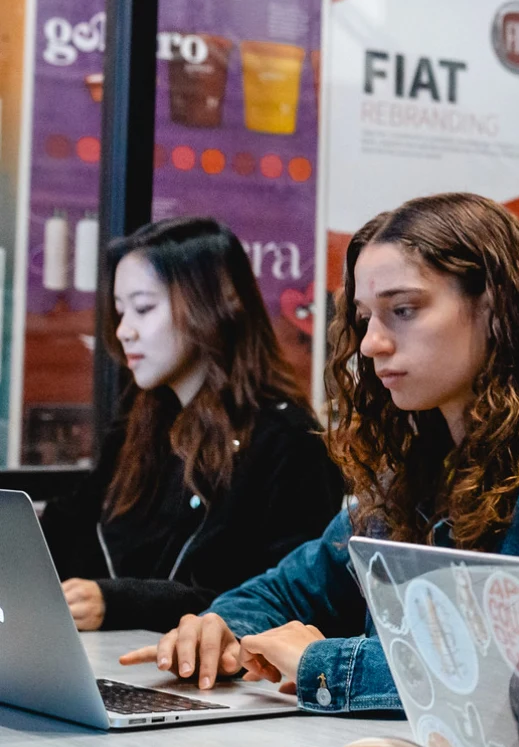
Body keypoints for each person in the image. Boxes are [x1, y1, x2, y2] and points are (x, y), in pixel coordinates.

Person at [122, 193, 519, 714]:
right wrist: (218, 627)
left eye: (402, 310)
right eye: (364, 318)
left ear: (496, 310)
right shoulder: (402, 485)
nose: (369, 344)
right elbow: (282, 590)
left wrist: (322, 663)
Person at [42, 217, 344, 633]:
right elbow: (68, 525)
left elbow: (284, 603)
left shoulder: (287, 441)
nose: (124, 330)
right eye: (120, 311)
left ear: (214, 304)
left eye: (144, 308)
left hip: (221, 684)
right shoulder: (143, 423)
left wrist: (121, 601)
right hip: (131, 663)